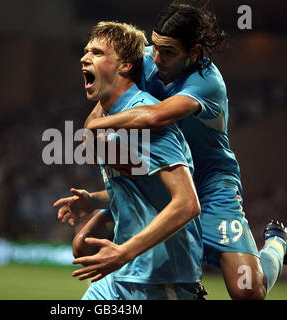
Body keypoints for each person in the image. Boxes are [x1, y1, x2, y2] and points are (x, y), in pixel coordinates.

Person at [82, 2, 287, 299]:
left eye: (168, 52)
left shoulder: (207, 83)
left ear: (195, 53)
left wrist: (96, 130)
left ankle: (278, 244)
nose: (156, 57)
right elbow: (97, 117)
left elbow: (155, 117)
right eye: (155, 46)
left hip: (212, 184)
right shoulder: (150, 60)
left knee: (247, 292)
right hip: (171, 176)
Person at [54, 21, 205, 300]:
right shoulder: (104, 123)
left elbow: (187, 204)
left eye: (97, 53)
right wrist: (96, 200)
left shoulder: (144, 119)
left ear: (124, 66)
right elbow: (146, 188)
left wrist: (123, 252)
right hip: (122, 278)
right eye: (86, 51)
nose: (84, 57)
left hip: (163, 282)